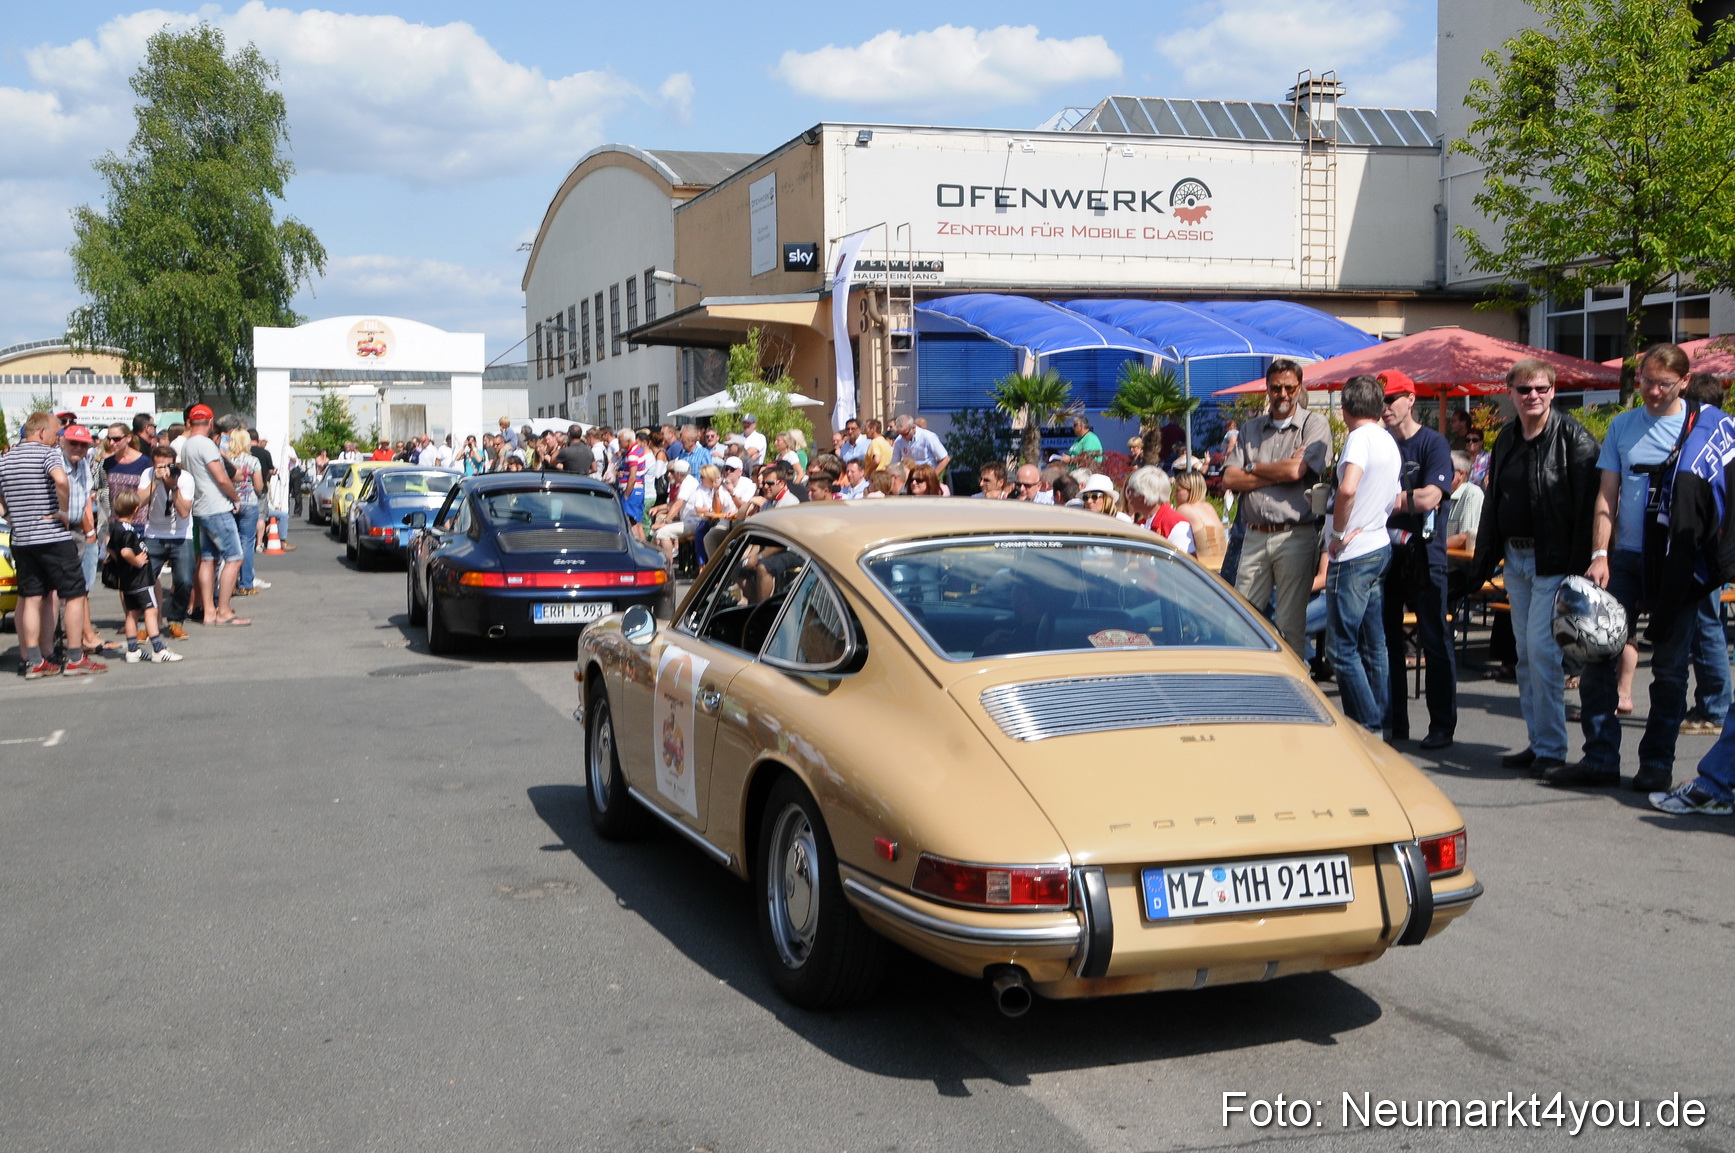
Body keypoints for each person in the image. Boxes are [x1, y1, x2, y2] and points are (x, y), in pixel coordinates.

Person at [1544, 344, 1701, 792]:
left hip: (1678, 563)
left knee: (1669, 668)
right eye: (1646, 380)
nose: (1651, 391)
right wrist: (1600, 554)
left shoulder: (1704, 428)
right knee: (1595, 657)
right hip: (1626, 558)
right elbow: (1605, 495)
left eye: (1662, 384)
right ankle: (1600, 759)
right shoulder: (1622, 426)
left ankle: (1656, 763)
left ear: (1684, 383)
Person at [1466, 361, 1597, 774]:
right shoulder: (1506, 438)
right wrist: (1484, 559)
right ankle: (1538, 742)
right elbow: (1494, 501)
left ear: (1554, 391)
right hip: (1515, 559)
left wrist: (1585, 567)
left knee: (1542, 652)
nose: (1533, 396)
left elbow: (1591, 509)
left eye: (1541, 388)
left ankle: (1552, 750)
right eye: (1524, 390)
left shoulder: (1574, 438)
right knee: (1524, 655)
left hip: (1554, 563)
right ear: (1511, 393)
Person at [1224, 358, 1332, 654]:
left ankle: (1294, 693)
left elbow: (1295, 472)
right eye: (1275, 388)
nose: (1282, 394)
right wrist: (1278, 470)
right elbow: (1230, 479)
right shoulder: (1250, 428)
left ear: (1299, 387)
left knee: (1290, 625)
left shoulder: (1314, 424)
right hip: (1254, 534)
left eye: (1289, 387)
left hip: (1295, 535)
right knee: (1241, 619)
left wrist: (1253, 466)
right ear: (1267, 391)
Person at [1378, 370, 1457, 749]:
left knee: (1434, 640)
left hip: (1426, 555)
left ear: (1410, 398)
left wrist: (1385, 500)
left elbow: (1430, 498)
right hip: (1388, 553)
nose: (1386, 408)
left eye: (1391, 399)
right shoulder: (1380, 444)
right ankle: (1396, 723)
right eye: (1381, 401)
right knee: (1387, 640)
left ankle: (1442, 725)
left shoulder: (1432, 443)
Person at [0, 411, 105, 676]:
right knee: (74, 593)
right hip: (51, 536)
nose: (57, 438)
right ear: (41, 432)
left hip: (22, 538)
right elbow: (60, 479)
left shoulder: (6, 459)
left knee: (32, 597)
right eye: (56, 433)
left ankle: (35, 661)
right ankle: (74, 657)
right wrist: (63, 509)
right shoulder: (47, 454)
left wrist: (12, 517)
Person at [1326, 375, 1402, 732]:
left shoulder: (1358, 438)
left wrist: (1338, 533)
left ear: (1345, 409)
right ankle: (1380, 725)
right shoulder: (1388, 440)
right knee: (1376, 645)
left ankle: (1367, 725)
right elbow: (1394, 496)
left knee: (1341, 648)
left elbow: (1348, 488)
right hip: (1379, 542)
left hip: (1354, 551)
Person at [1677, 372, 1732, 738]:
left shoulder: (1704, 434)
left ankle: (1714, 706)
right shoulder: (1729, 431)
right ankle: (1713, 702)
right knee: (1711, 622)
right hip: (1722, 545)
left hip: (1709, 544)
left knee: (1706, 623)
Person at [180, 405, 249, 627]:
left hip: (200, 507)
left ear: (190, 422)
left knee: (208, 559)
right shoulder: (207, 445)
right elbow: (221, 477)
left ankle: (209, 611)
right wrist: (235, 498)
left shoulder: (187, 445)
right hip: (216, 507)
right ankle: (224, 611)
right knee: (234, 557)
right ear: (210, 422)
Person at [106, 488, 182, 663]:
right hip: (140, 579)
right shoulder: (127, 531)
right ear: (135, 509)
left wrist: (121, 562)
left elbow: (110, 548)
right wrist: (136, 561)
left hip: (127, 580)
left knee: (132, 613)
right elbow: (125, 552)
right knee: (151, 611)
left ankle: (133, 650)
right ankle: (158, 649)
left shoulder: (116, 527)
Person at [143, 441, 196, 640]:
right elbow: (138, 503)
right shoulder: (147, 476)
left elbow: (183, 512)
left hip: (180, 534)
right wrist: (155, 482)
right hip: (154, 533)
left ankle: (176, 620)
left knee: (184, 580)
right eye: (159, 467)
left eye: (168, 466)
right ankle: (149, 621)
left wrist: (173, 487)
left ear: (175, 464)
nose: (164, 470)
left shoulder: (185, 479)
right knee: (145, 579)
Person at [224, 429, 266, 594]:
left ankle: (230, 582)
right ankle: (246, 583)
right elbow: (259, 487)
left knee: (230, 544)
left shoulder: (226, 460)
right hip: (249, 503)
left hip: (230, 503)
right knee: (247, 543)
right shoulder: (253, 461)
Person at [1124, 466, 1190, 550]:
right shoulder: (1143, 523)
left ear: (1143, 494)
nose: (1128, 496)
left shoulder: (1176, 525)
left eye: (1130, 491)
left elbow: (1184, 561)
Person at [1172, 469, 1225, 566]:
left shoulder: (1184, 509)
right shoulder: (1209, 506)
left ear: (1191, 490)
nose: (1174, 494)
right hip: (1222, 564)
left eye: (1178, 490)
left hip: (1204, 567)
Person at [617, 427, 648, 541]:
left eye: (620, 441)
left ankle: (637, 548)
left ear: (628, 441)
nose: (619, 443)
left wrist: (626, 495)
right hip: (638, 490)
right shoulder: (638, 450)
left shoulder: (632, 454)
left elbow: (633, 477)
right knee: (638, 524)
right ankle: (645, 550)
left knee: (632, 522)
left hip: (632, 491)